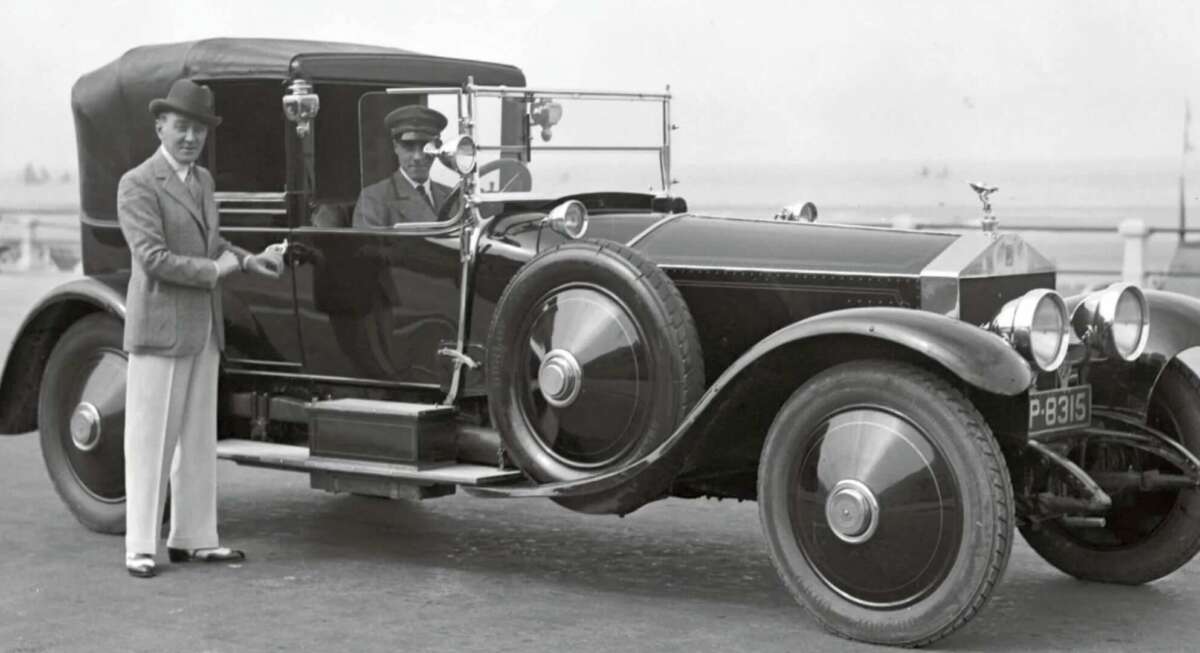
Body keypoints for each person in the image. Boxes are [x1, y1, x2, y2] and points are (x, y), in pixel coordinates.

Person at [117, 78, 284, 578]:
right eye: (181, 127)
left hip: (202, 329)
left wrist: (249, 261)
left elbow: (213, 242)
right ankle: (139, 546)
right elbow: (152, 258)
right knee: (150, 440)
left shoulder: (202, 180)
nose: (190, 137)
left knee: (196, 438)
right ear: (160, 126)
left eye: (199, 130)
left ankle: (194, 539)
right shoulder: (138, 183)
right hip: (161, 330)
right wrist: (216, 271)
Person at [352, 105, 454, 227]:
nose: (417, 156)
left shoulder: (452, 196)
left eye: (425, 146)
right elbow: (368, 240)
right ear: (396, 147)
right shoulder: (374, 198)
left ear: (438, 148)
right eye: (408, 147)